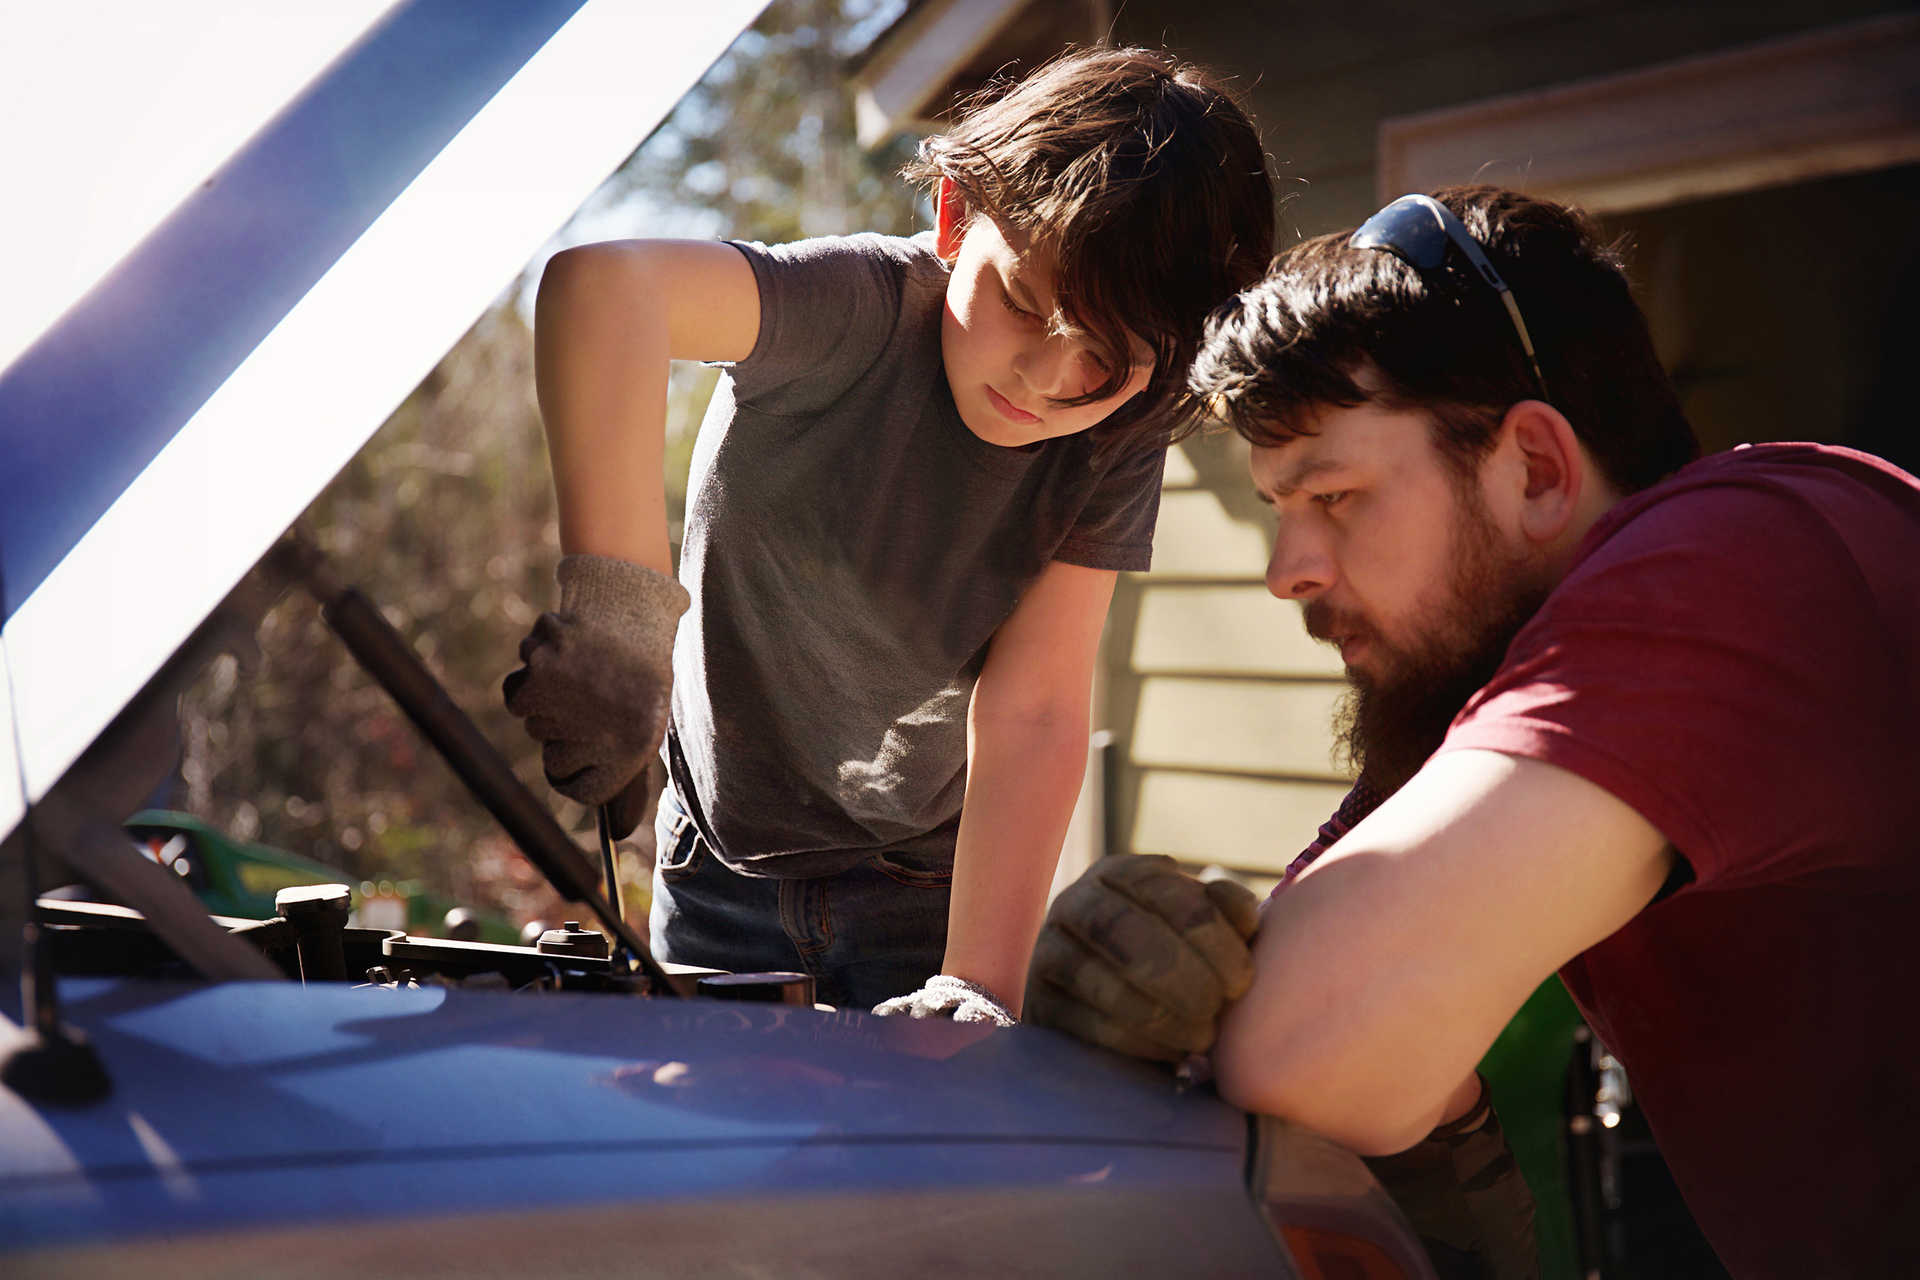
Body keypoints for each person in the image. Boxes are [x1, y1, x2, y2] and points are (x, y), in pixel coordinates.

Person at [1026, 184, 1920, 1278]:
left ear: (1536, 469)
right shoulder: (1482, 684)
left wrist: (1227, 1021)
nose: (1284, 571)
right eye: (1278, 510)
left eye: (1338, 494)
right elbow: (1342, 1065)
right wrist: (1141, 971)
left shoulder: (1743, 555)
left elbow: (1302, 1040)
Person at [501, 47, 1275, 1017]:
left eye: (1105, 359)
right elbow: (606, 290)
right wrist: (619, 622)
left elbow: (1033, 708)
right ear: (955, 215)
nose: (1046, 374)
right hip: (720, 877)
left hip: (929, 893)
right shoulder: (852, 312)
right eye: (1023, 302)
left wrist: (976, 981)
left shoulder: (1118, 432)